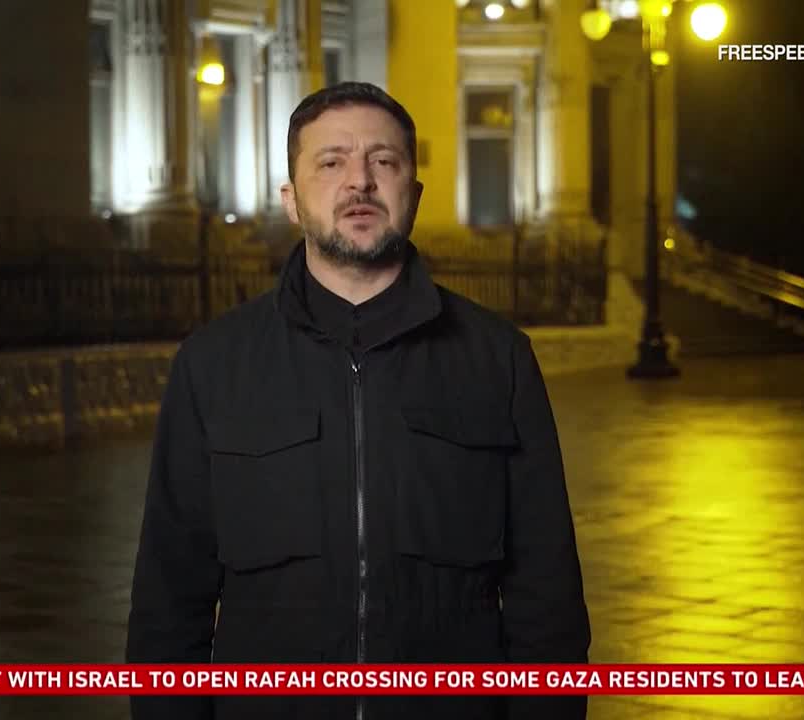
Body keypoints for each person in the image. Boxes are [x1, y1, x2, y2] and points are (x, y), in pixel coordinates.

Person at [126, 81, 590, 720]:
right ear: (291, 200)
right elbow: (168, 600)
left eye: (384, 161)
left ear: (414, 194)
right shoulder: (213, 364)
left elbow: (549, 597)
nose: (360, 182)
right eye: (331, 161)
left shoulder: (497, 357)